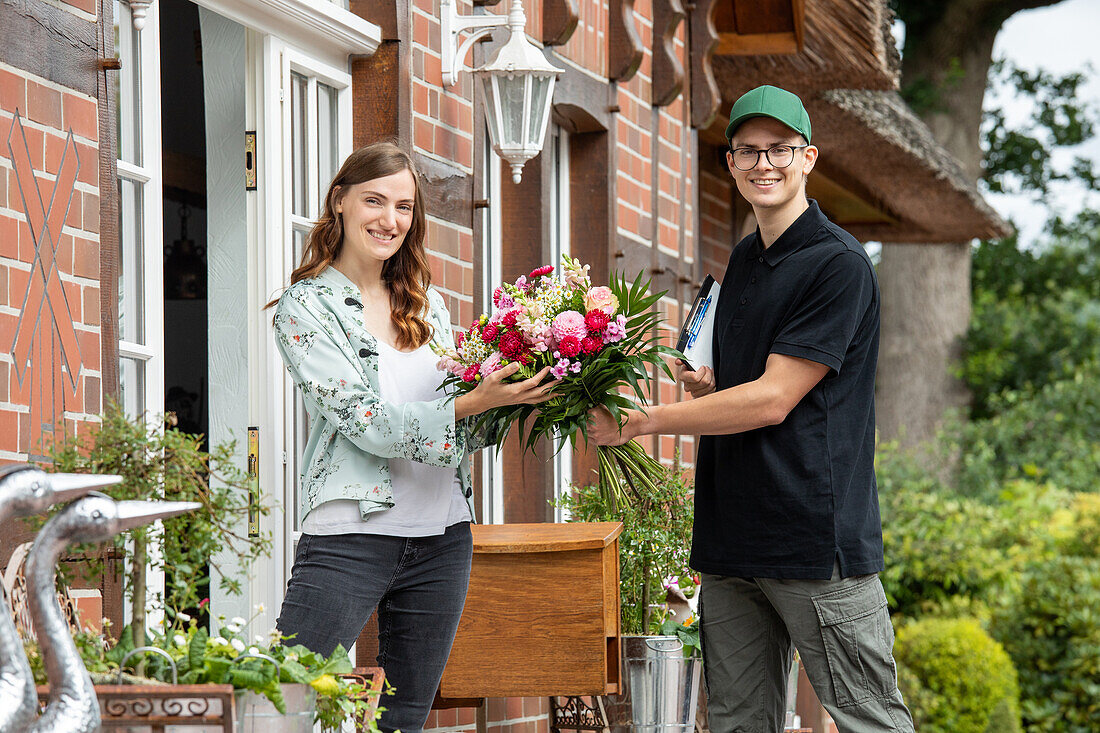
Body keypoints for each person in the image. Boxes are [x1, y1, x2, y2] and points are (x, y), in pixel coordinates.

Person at [587, 86, 915, 732]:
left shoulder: (837, 265)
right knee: (739, 722)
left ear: (808, 157)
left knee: (869, 719)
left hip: (812, 540)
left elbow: (773, 399)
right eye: (748, 152)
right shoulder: (745, 259)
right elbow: (752, 385)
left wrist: (646, 420)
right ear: (730, 164)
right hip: (732, 539)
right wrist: (709, 389)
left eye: (780, 150)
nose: (765, 164)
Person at [268, 142, 551, 733]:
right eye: (374, 200)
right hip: (351, 533)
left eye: (403, 207)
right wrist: (473, 402)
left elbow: (459, 420)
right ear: (340, 202)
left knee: (405, 720)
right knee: (285, 703)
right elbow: (365, 421)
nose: (390, 220)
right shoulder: (305, 308)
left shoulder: (429, 304)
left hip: (443, 535)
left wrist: (527, 388)